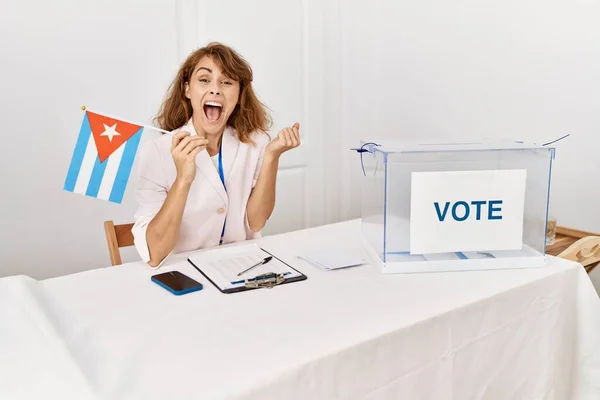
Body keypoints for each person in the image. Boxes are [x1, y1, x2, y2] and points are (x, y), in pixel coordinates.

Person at [131, 42, 300, 268]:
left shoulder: (256, 143)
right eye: (204, 80)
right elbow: (154, 254)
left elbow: (256, 222)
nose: (215, 89)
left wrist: (272, 157)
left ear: (239, 95)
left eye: (227, 82)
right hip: (183, 271)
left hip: (243, 266)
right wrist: (183, 179)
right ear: (187, 89)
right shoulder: (155, 153)